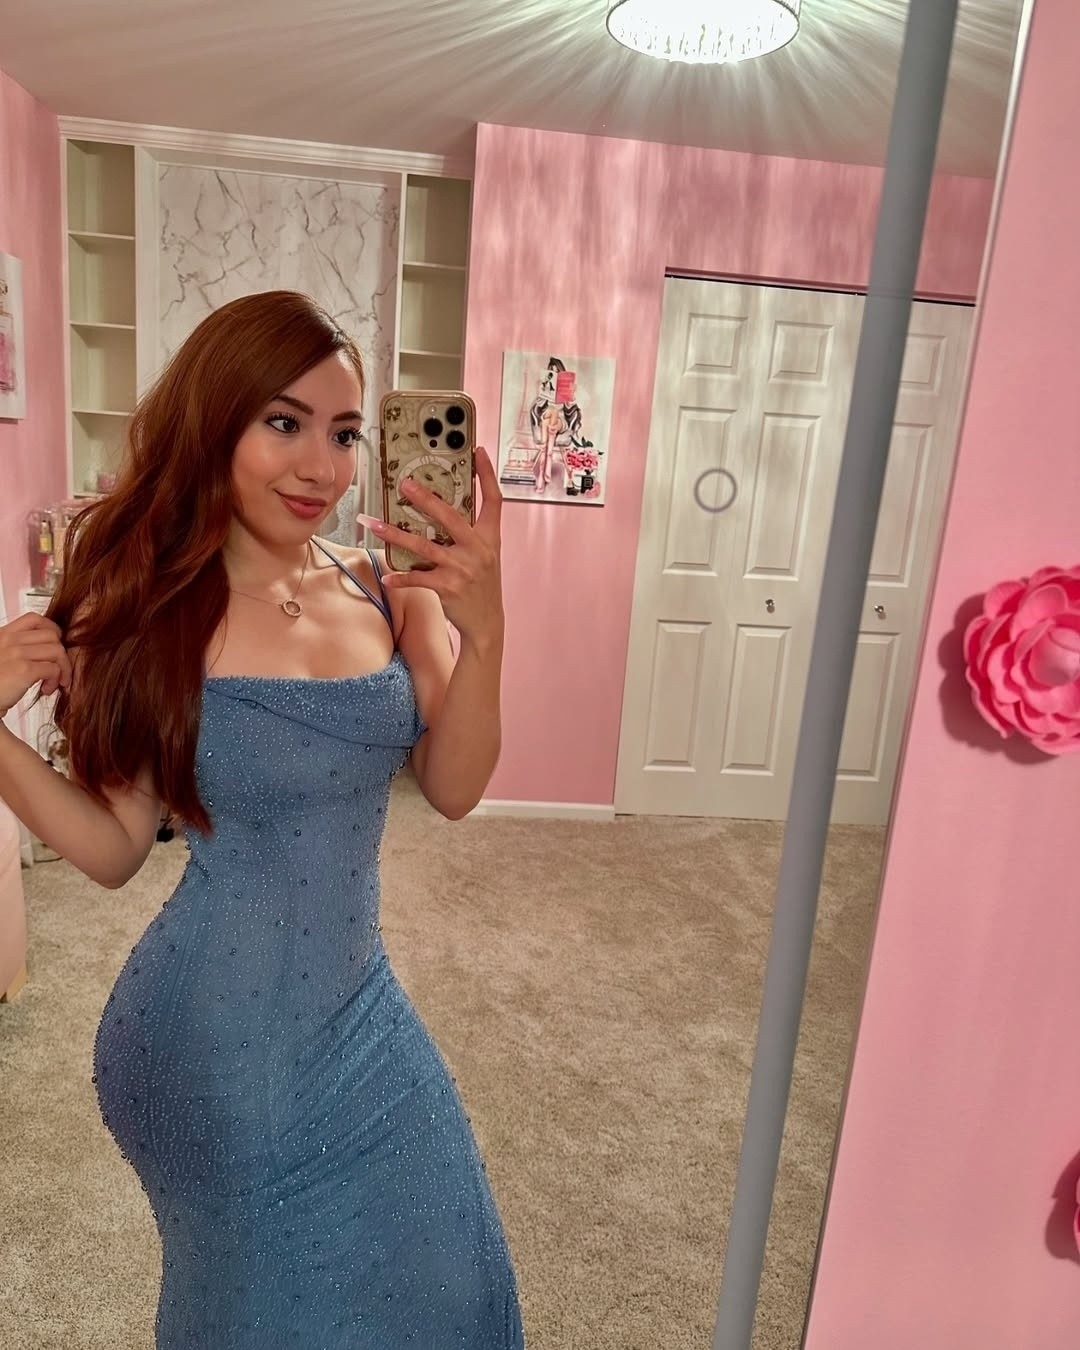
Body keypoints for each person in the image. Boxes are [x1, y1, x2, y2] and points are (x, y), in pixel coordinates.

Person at [0, 290, 524, 1348]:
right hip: (206, 1044)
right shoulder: (150, 611)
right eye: (284, 423)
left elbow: (456, 788)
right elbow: (113, 848)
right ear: (216, 422)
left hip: (358, 1006)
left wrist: (489, 630)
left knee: (447, 1277)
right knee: (263, 1312)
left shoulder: (390, 590)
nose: (321, 468)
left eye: (344, 433)